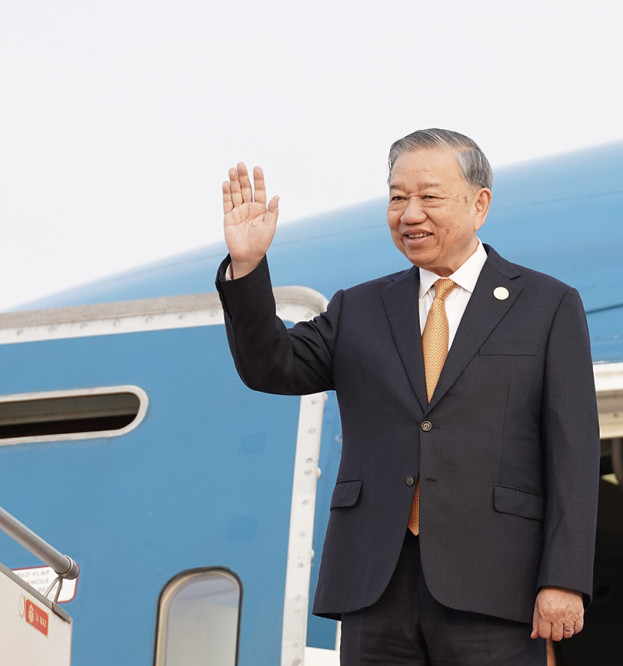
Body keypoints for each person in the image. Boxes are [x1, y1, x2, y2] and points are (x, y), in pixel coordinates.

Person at [215, 129, 600, 665]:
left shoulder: (546, 304)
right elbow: (270, 366)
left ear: (479, 204)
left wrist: (564, 578)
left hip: (494, 583)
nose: (410, 213)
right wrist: (248, 266)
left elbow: (573, 452)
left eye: (429, 196)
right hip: (376, 583)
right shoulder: (360, 308)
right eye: (397, 197)